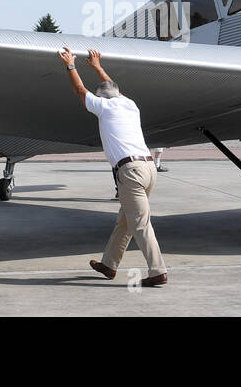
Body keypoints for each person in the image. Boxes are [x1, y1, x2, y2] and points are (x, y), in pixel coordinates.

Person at [58, 47, 168, 286]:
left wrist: (70, 65)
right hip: (148, 170)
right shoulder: (130, 104)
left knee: (140, 223)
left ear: (102, 99)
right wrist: (97, 67)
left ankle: (157, 271)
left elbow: (79, 90)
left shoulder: (104, 108)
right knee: (126, 220)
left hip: (131, 172)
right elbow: (110, 86)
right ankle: (109, 264)